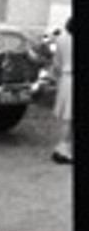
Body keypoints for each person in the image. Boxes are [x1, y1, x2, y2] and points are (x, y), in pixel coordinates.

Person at [51, 17, 73, 165]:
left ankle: (62, 148)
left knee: (67, 117)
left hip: (65, 78)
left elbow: (56, 63)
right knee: (69, 118)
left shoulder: (62, 38)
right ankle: (63, 149)